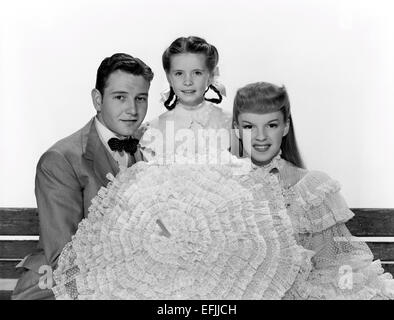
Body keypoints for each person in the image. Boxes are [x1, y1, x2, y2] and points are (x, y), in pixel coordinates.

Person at [232, 81, 394, 299]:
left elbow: (339, 264)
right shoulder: (219, 189)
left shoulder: (311, 190)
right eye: (250, 126)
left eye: (271, 125)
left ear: (286, 127)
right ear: (237, 130)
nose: (261, 136)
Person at [12, 53, 154, 300]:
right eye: (120, 97)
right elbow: (64, 258)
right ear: (98, 100)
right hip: (59, 286)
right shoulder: (60, 160)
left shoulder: (142, 153)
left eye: (140, 98)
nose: (132, 109)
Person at [140, 36, 232, 163]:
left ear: (210, 76)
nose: (187, 82)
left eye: (197, 73)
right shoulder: (153, 129)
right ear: (169, 77)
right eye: (179, 73)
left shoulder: (230, 122)